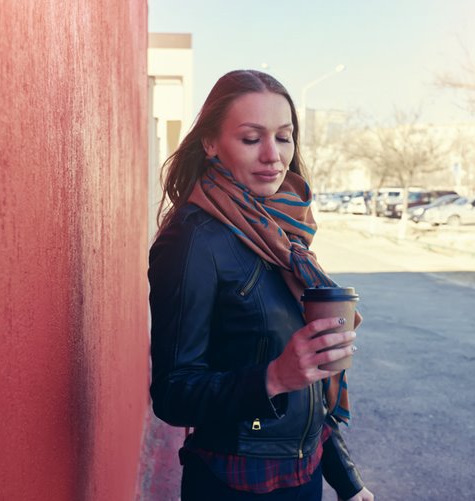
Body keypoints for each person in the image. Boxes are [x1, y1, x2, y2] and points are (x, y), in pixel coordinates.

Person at [148, 69, 374, 501]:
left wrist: (347, 481)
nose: (273, 155)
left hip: (303, 476)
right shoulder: (194, 242)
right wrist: (272, 378)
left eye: (284, 137)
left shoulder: (282, 231)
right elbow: (173, 394)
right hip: (234, 483)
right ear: (211, 144)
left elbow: (306, 383)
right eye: (252, 139)